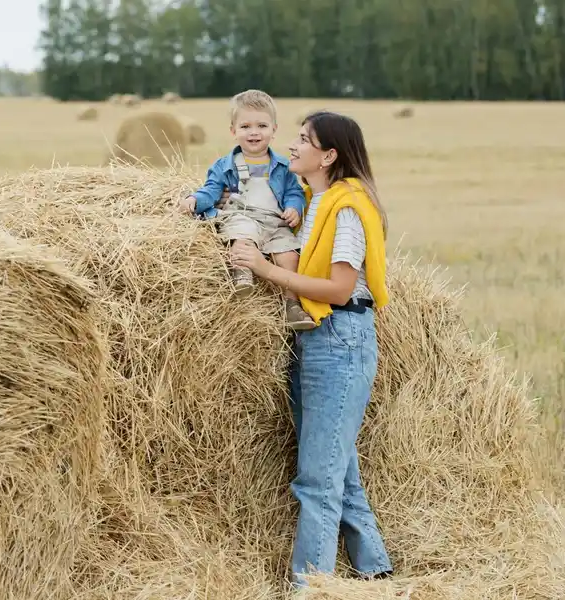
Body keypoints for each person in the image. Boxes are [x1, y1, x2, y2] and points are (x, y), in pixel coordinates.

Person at [229, 110, 394, 588]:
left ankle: (310, 586)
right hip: (315, 337)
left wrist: (263, 268)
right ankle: (374, 569)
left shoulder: (346, 210)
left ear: (328, 156)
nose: (293, 146)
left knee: (316, 481)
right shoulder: (309, 202)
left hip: (339, 338)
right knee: (337, 471)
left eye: (304, 140)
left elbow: (340, 288)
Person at [178, 89, 316, 331]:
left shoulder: (284, 166)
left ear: (274, 129)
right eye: (245, 126)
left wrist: (294, 207)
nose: (254, 132)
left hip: (275, 223)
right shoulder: (224, 165)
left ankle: (292, 305)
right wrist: (194, 200)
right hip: (243, 216)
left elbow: (294, 192)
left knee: (290, 256)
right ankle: (241, 274)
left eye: (262, 125)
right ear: (233, 131)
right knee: (242, 234)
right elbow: (211, 190)